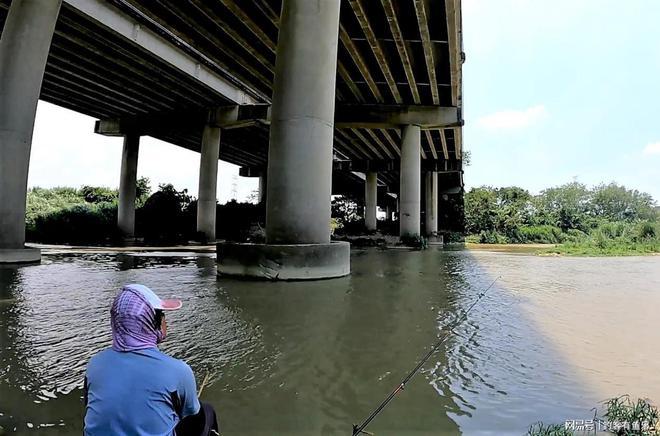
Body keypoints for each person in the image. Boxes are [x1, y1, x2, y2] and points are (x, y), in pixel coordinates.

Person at [84, 284, 219, 435]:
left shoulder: (94, 365)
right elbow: (191, 417)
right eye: (161, 315)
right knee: (207, 411)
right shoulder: (179, 371)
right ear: (151, 322)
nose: (165, 321)